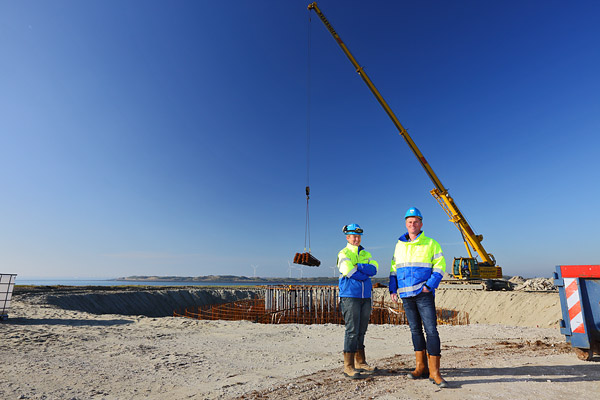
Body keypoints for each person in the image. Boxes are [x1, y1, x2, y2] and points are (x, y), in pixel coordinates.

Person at [389, 207, 449, 388]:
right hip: (406, 294)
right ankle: (420, 367)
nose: (412, 224)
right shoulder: (399, 244)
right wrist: (393, 288)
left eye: (415, 222)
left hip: (423, 294)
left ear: (421, 224)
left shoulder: (431, 243)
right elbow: (394, 268)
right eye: (409, 222)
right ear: (406, 224)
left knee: (431, 330)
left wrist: (429, 286)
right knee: (415, 331)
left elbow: (440, 267)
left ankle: (435, 372)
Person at [337, 223, 379, 379]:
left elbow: (374, 269)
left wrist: (360, 266)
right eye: (353, 236)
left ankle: (361, 362)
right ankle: (348, 366)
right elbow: (349, 271)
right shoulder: (343, 253)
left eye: (358, 236)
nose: (356, 239)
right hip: (350, 296)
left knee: (361, 330)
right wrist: (364, 273)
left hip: (365, 297)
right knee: (352, 330)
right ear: (348, 237)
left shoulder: (365, 254)